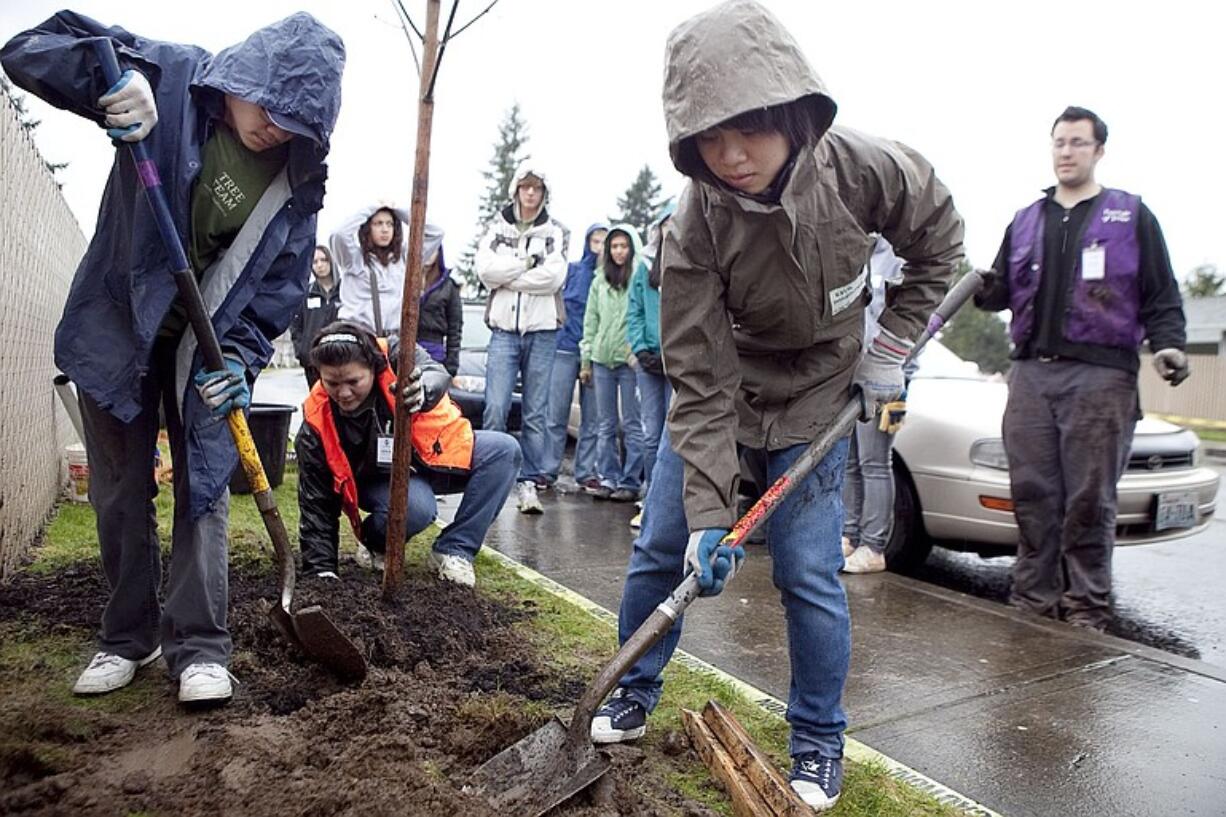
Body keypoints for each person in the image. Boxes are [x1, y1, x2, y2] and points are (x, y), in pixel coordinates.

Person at [588, 2, 964, 811]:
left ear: (793, 109)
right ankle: (631, 689)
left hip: (822, 394)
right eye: (707, 140)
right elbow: (699, 374)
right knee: (660, 548)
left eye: (746, 130)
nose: (729, 156)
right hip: (731, 391)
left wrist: (891, 347)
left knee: (807, 572)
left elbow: (942, 248)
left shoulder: (868, 170)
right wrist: (705, 514)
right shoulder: (693, 224)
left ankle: (819, 740)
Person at [1, 10, 344, 705]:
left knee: (207, 488)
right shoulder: (177, 77)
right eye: (270, 104)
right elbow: (27, 50)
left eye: (295, 122)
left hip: (206, 352)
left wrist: (240, 361)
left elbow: (275, 293)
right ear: (244, 77)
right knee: (120, 487)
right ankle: (128, 636)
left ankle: (201, 647)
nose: (274, 127)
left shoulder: (296, 187)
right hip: (118, 324)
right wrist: (116, 83)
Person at [975, 106, 1188, 631]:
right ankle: (1033, 604)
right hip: (1031, 375)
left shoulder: (1131, 215)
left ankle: (1086, 611)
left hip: (1100, 378)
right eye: (1059, 143)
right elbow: (999, 290)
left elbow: (1162, 294)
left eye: (1076, 143)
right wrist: (980, 285)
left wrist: (1169, 346)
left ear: (1098, 151)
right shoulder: (1026, 219)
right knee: (1032, 494)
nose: (1066, 152)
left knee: (1089, 499)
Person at [296, 322, 520, 587]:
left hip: (434, 453)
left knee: (503, 450)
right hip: (376, 481)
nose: (343, 393)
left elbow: (434, 371)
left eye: (353, 381)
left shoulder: (395, 354)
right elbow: (316, 502)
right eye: (332, 383)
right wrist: (321, 571)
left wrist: (424, 389)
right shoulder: (315, 424)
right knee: (416, 507)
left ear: (372, 367)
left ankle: (455, 548)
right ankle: (376, 542)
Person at [474, 164, 569, 514]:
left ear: (544, 194)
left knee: (535, 412)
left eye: (537, 189)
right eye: (526, 187)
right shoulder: (496, 228)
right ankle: (490, 481)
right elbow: (485, 270)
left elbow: (553, 278)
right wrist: (527, 262)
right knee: (495, 406)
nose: (531, 194)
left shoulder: (556, 232)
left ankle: (528, 483)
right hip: (503, 330)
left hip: (542, 329)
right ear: (516, 190)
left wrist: (508, 276)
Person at [840, 237, 918, 574]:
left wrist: (896, 368)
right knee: (851, 461)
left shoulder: (897, 260)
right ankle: (848, 534)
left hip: (887, 378)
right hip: (852, 373)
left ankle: (873, 545)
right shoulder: (860, 251)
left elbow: (912, 323)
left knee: (875, 460)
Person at [580, 224, 646, 503]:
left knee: (632, 423)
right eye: (614, 246)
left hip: (630, 361)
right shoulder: (599, 281)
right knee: (604, 424)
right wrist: (586, 360)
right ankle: (608, 477)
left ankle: (631, 481)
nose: (619, 251)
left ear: (632, 248)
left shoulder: (639, 278)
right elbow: (590, 321)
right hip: (602, 359)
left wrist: (638, 349)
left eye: (624, 246)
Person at [542, 223, 607, 493]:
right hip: (565, 347)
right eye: (595, 241)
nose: (600, 246)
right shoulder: (574, 271)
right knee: (556, 413)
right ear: (587, 242)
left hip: (595, 353)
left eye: (605, 241)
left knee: (592, 417)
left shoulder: (611, 277)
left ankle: (586, 472)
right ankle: (547, 470)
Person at [330, 201, 444, 339]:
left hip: (394, 340)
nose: (385, 229)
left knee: (428, 361)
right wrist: (371, 208)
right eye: (378, 224)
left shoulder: (405, 259)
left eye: (389, 224)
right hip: (359, 338)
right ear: (367, 228)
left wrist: (397, 210)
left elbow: (436, 233)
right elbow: (338, 234)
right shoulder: (353, 259)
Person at [627, 205, 675, 527]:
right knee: (651, 433)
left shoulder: (694, 260)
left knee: (675, 435)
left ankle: (670, 505)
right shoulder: (644, 267)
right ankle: (649, 498)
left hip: (677, 361)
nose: (671, 229)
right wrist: (642, 349)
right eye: (666, 224)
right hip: (648, 362)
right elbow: (635, 312)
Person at [290, 245, 342, 388]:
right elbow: (295, 325)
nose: (320, 265)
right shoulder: (306, 293)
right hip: (313, 361)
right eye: (315, 262)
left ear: (331, 261)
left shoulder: (345, 291)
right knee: (317, 405)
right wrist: (302, 352)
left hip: (341, 359)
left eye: (323, 260)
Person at [417, 242, 463, 375]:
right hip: (405, 347)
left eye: (433, 250)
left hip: (434, 350)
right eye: (425, 249)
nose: (429, 253)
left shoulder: (448, 286)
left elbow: (455, 328)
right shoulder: (403, 280)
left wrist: (451, 366)